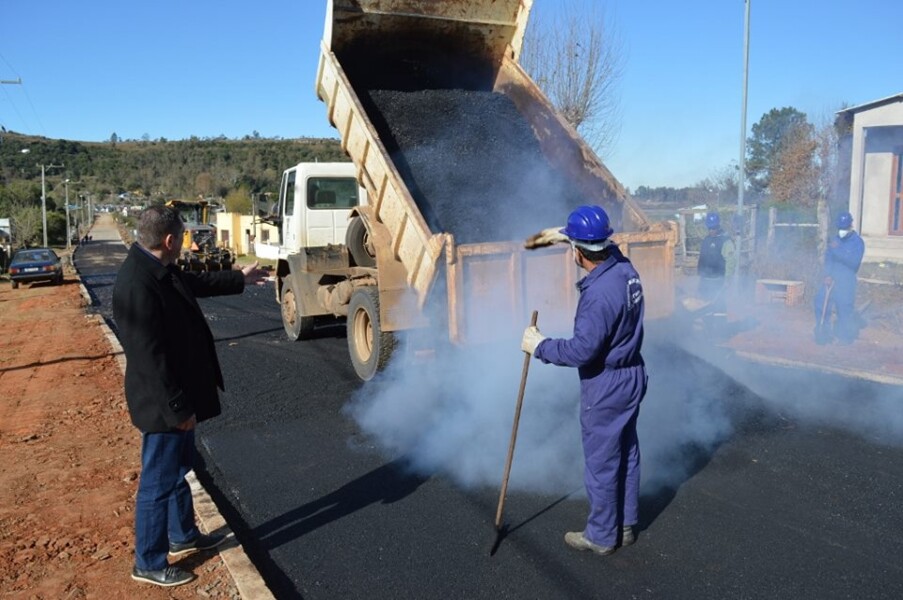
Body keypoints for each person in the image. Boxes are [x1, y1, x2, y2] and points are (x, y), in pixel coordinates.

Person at [112, 205, 262, 587]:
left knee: (179, 470)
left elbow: (194, 283)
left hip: (176, 398)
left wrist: (239, 278)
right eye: (181, 238)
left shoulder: (156, 268)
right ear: (169, 240)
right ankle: (148, 562)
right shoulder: (136, 284)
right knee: (157, 483)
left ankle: (183, 536)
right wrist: (178, 409)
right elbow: (149, 360)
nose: (183, 244)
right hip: (163, 405)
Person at [521, 205, 647, 556]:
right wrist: (567, 236)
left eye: (572, 246)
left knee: (601, 462)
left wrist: (540, 346)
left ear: (578, 252)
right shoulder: (625, 269)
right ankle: (625, 524)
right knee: (627, 451)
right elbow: (607, 248)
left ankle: (602, 537)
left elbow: (581, 351)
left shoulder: (598, 296)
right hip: (632, 374)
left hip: (606, 384)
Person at [814, 211, 865, 345]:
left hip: (846, 280)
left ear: (850, 225)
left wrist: (838, 251)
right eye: (840, 227)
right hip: (832, 278)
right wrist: (827, 275)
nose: (842, 230)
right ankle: (823, 333)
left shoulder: (857, 242)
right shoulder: (835, 240)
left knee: (844, 309)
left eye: (844, 227)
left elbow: (854, 262)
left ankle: (845, 338)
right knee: (820, 303)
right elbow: (829, 259)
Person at [696, 211, 736, 317]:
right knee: (705, 305)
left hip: (718, 280)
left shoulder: (725, 241)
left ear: (718, 226)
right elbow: (702, 258)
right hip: (705, 279)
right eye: (709, 228)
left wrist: (728, 278)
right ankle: (707, 324)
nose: (711, 230)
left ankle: (720, 324)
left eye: (713, 228)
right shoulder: (706, 240)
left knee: (719, 305)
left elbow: (731, 261)